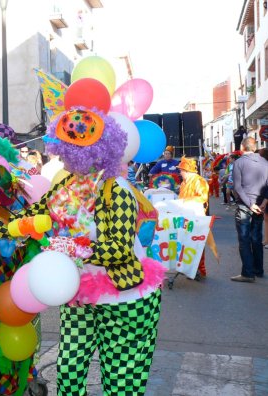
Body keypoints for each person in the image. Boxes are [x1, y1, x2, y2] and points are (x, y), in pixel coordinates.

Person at [43, 109, 164, 395]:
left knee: (121, 381)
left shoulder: (117, 189)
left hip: (125, 296)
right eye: (63, 154)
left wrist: (72, 248)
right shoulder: (69, 188)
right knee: (69, 370)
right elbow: (40, 215)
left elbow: (119, 249)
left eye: (69, 154)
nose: (64, 160)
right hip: (79, 293)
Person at [231, 137, 268, 282]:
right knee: (256, 238)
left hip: (245, 205)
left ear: (242, 147)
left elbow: (238, 187)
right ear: (254, 147)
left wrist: (250, 203)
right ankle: (258, 269)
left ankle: (247, 273)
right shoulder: (265, 162)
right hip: (260, 204)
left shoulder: (239, 163)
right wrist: (264, 202)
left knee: (245, 239)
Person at [177, 157, 210, 277]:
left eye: (181, 170)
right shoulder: (184, 182)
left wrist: (185, 201)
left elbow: (202, 197)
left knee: (197, 243)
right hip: (185, 217)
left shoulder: (199, 181)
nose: (180, 173)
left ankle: (199, 269)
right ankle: (188, 267)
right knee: (186, 243)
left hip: (196, 217)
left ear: (186, 171)